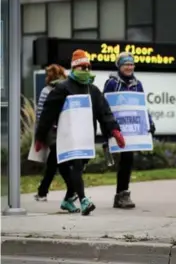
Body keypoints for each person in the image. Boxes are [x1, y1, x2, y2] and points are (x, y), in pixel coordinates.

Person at [34, 49, 126, 215]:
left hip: (84, 137)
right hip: (65, 138)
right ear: (74, 68)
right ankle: (84, 200)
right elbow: (48, 114)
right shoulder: (62, 89)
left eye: (87, 67)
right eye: (81, 67)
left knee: (77, 169)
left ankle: (69, 200)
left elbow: (104, 112)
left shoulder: (93, 91)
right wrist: (40, 137)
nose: (85, 71)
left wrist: (114, 130)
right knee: (74, 168)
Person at [103, 52, 156, 209]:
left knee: (128, 160)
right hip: (117, 128)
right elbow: (104, 106)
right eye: (126, 64)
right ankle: (121, 195)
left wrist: (149, 123)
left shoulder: (137, 84)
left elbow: (141, 106)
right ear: (119, 66)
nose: (129, 67)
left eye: (131, 64)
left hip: (132, 129)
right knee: (124, 160)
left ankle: (122, 194)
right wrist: (108, 129)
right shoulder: (111, 83)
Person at [33, 64, 79, 205]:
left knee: (59, 161)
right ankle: (43, 191)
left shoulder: (47, 91)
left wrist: (39, 135)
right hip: (65, 129)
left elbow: (41, 114)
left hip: (51, 131)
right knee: (54, 162)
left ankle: (72, 188)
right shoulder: (68, 89)